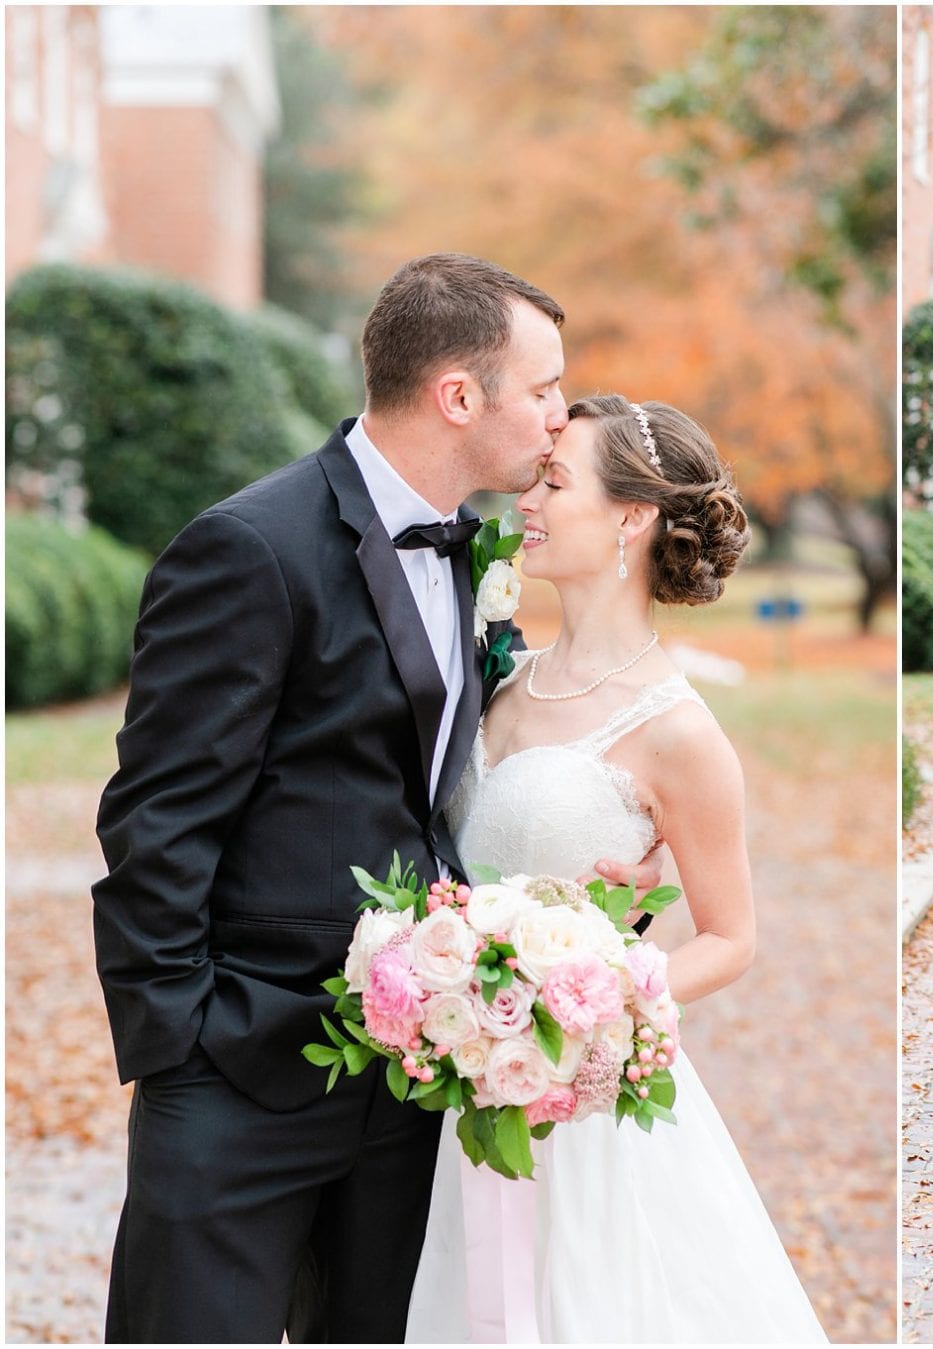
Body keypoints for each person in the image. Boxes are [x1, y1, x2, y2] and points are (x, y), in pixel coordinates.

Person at [93, 255, 654, 1341]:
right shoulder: (251, 548)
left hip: (412, 1082)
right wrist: (182, 1046)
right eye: (541, 389)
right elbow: (157, 820)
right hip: (240, 1076)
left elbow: (448, 787)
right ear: (459, 395)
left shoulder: (475, 555)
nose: (556, 416)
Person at [403, 394, 826, 1342]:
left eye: (555, 481)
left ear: (631, 517)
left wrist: (586, 1006)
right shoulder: (494, 675)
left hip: (582, 1108)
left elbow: (730, 937)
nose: (530, 499)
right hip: (450, 1084)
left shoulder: (678, 732)